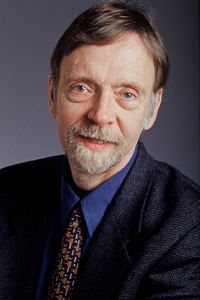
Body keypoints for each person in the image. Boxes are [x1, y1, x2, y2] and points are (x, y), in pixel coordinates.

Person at [0, 1, 199, 299]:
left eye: (127, 94)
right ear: (53, 95)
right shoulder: (4, 192)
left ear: (152, 109)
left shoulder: (188, 228)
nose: (100, 114)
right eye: (82, 87)